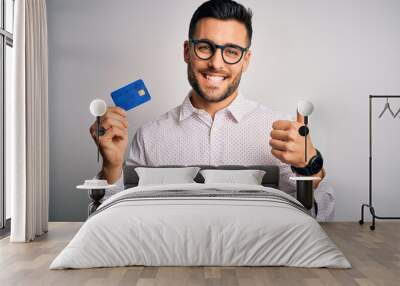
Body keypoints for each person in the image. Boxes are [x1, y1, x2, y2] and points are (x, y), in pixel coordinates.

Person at [89, 0, 335, 220]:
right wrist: (111, 167)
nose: (216, 63)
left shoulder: (281, 132)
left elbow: (318, 218)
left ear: (246, 60)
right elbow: (116, 222)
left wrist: (311, 166)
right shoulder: (149, 137)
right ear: (187, 51)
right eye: (205, 47)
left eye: (231, 51)